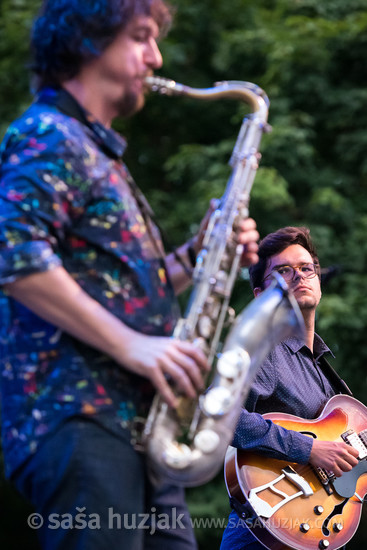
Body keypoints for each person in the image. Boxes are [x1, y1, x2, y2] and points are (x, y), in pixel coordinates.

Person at [0, 1, 260, 549]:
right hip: (82, 416)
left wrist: (198, 255)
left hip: (141, 429)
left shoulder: (99, 157)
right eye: (141, 37)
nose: (156, 56)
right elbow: (14, 253)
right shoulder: (50, 134)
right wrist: (134, 347)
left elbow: (120, 291)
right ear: (89, 41)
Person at [220, 226, 360, 550]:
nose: (299, 276)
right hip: (262, 528)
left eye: (306, 268)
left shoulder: (324, 372)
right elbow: (222, 413)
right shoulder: (263, 350)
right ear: (260, 296)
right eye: (283, 271)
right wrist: (308, 449)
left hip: (313, 526)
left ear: (319, 281)